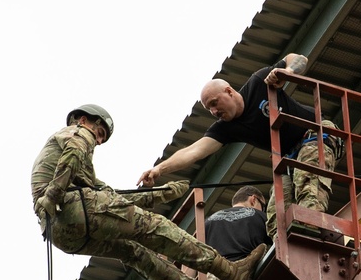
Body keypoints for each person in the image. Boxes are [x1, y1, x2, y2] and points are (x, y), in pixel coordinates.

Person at [31, 104, 266, 280]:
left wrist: (165, 193)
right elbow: (74, 151)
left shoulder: (78, 173)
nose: (98, 140)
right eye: (99, 132)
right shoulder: (77, 133)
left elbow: (113, 199)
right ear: (84, 120)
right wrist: (53, 195)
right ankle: (231, 273)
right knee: (157, 228)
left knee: (136, 254)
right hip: (71, 205)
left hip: (61, 233)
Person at [136, 53, 343, 238]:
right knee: (275, 217)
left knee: (308, 187)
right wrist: (159, 169)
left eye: (215, 103)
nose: (214, 112)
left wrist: (286, 72)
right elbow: (194, 151)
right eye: (209, 109)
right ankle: (288, 248)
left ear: (229, 91)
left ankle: (311, 235)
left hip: (315, 134)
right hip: (290, 157)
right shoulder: (226, 128)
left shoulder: (258, 83)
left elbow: (298, 59)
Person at [203, 185, 273, 280]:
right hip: (244, 274)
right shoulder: (260, 216)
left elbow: (196, 252)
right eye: (262, 206)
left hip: (215, 276)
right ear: (253, 199)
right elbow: (275, 240)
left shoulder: (208, 221)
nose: (262, 210)